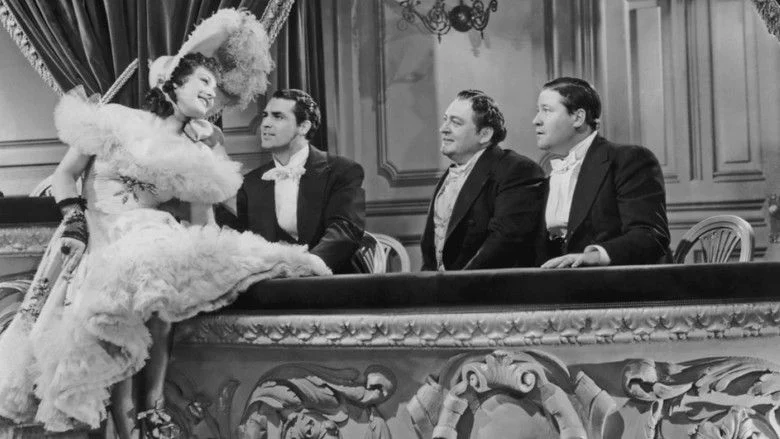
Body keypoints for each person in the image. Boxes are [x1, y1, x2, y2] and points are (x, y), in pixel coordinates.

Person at [0, 9, 329, 438]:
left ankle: (150, 408)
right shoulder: (115, 118)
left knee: (154, 264)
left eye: (215, 88)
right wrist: (74, 220)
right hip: (95, 231)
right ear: (172, 82)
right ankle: (126, 419)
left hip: (149, 236)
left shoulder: (196, 152)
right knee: (123, 283)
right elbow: (65, 175)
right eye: (203, 81)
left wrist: (213, 153)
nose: (211, 93)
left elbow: (205, 223)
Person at [534, 77, 670, 268]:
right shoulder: (551, 173)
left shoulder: (629, 160)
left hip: (617, 280)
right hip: (559, 281)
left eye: (546, 110)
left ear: (578, 118)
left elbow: (650, 235)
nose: (536, 120)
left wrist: (594, 257)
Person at [229, 89, 366, 274]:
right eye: (265, 116)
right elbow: (238, 239)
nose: (265, 124)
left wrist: (311, 265)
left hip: (332, 280)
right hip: (273, 283)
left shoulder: (342, 171)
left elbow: (345, 230)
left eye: (278, 117)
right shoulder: (250, 183)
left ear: (303, 127)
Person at [420, 90, 547, 271]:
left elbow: (503, 244)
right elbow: (431, 254)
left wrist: (455, 285)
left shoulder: (518, 170)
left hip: (486, 286)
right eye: (445, 120)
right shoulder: (449, 176)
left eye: (456, 122)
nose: (443, 129)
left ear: (485, 134)